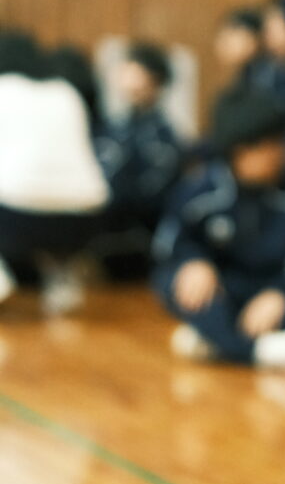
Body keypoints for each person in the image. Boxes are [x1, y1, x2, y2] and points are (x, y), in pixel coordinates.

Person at [151, 87, 285, 368]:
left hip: (278, 289)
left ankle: (216, 342)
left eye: (282, 141)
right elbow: (170, 245)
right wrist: (194, 262)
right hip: (227, 287)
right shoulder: (201, 191)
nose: (282, 152)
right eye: (270, 145)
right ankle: (257, 351)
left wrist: (281, 295)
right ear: (240, 151)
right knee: (175, 282)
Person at [0, 29, 109, 314]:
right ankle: (61, 280)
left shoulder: (4, 89)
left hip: (18, 215)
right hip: (86, 216)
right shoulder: (65, 92)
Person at [93, 41, 183, 279]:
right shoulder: (112, 127)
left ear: (154, 80)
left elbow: (152, 194)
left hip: (143, 240)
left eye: (133, 68)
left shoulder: (163, 136)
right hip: (103, 233)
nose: (125, 75)